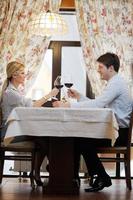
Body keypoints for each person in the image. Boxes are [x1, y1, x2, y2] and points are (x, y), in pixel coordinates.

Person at [53, 52, 133, 192]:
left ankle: (97, 177)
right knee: (79, 139)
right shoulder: (115, 82)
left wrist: (68, 105)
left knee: (81, 141)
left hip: (119, 134)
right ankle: (80, 176)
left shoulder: (116, 84)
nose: (98, 70)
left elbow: (98, 104)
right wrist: (79, 97)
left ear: (111, 68)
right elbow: (100, 104)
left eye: (100, 67)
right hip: (116, 131)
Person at [0, 61, 59, 186]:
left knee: (44, 138)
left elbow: (29, 107)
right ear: (14, 75)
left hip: (15, 129)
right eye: (22, 73)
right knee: (44, 138)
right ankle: (49, 168)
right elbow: (32, 105)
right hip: (9, 132)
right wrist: (50, 94)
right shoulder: (10, 93)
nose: (24, 75)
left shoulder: (15, 91)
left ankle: (45, 168)